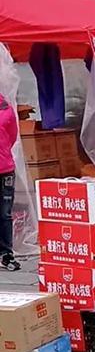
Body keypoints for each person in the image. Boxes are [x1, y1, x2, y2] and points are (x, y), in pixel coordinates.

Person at [0, 94, 19, 271]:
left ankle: (6, 254)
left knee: (5, 214)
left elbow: (12, 136)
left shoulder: (6, 109)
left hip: (5, 169)